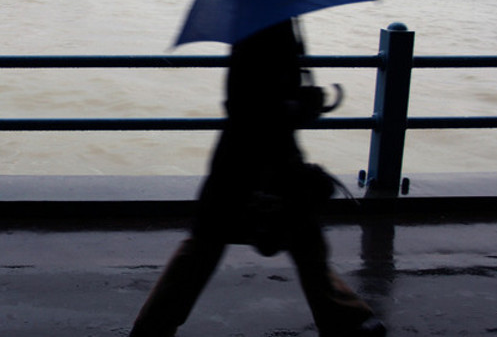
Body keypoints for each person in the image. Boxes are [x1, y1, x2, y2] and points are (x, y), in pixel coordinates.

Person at [129, 19, 385, 337]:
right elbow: (246, 102)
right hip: (249, 157)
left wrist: (296, 103)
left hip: (253, 155)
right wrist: (298, 106)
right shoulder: (266, 27)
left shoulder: (270, 22)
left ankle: (153, 326)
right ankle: (345, 319)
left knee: (228, 243)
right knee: (221, 243)